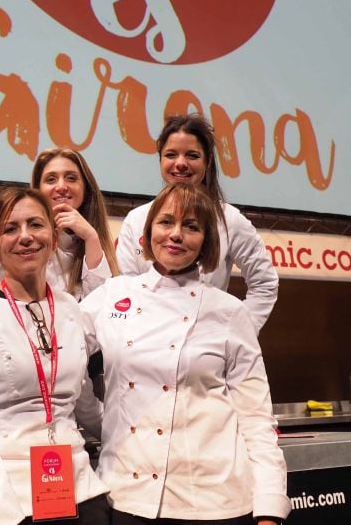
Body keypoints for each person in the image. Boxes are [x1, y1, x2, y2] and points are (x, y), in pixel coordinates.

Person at [81, 183, 290, 525]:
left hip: (214, 501)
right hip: (126, 495)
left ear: (206, 243)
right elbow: (60, 357)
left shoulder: (229, 312)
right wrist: (99, 419)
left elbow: (256, 417)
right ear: (147, 233)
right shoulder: (114, 294)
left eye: (191, 226)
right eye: (166, 222)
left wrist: (270, 508)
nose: (176, 234)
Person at [0, 186, 110, 525]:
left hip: (74, 479)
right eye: (10, 228)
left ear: (53, 237)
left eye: (35, 224)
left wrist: (136, 436)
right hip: (0, 480)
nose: (25, 237)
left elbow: (84, 404)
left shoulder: (70, 308)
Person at [116, 114, 278, 331]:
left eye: (192, 155)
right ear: (160, 160)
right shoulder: (136, 219)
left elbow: (265, 283)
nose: (180, 163)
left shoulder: (230, 220)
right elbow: (127, 288)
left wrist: (236, 332)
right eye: (171, 154)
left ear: (207, 161)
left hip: (204, 341)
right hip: (145, 336)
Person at [0, 148, 117, 300]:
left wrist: (91, 237)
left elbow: (99, 311)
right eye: (51, 179)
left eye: (71, 178)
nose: (61, 186)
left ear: (86, 189)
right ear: (37, 190)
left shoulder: (91, 241)